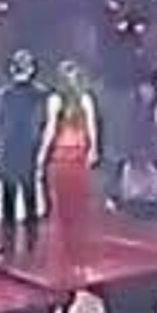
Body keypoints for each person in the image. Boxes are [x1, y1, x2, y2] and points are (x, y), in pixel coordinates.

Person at [40, 60, 100, 261]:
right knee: (73, 203)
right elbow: (92, 127)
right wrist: (93, 149)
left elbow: (51, 130)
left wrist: (41, 155)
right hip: (72, 153)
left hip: (66, 154)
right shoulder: (83, 98)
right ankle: (72, 247)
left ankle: (70, 247)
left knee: (67, 203)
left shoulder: (58, 99)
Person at [0, 50, 50, 256]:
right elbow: (40, 123)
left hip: (14, 149)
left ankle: (13, 244)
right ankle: (29, 244)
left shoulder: (7, 94)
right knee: (27, 197)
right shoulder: (39, 94)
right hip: (25, 149)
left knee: (15, 198)